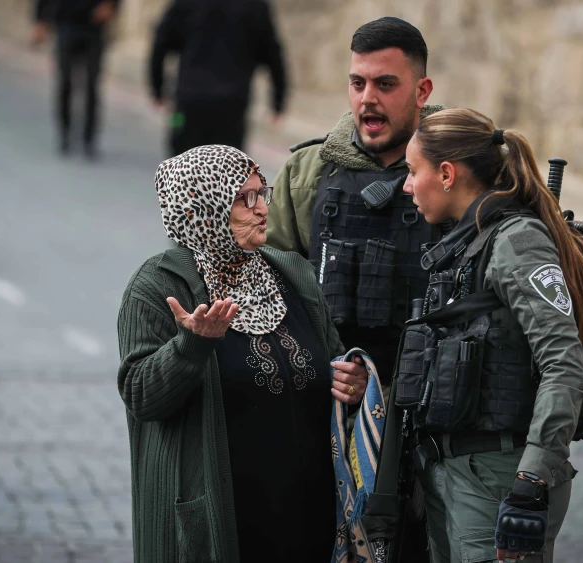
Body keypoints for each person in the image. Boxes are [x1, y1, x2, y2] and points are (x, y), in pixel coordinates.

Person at [117, 145, 369, 563]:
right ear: (202, 209)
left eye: (261, 193)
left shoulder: (292, 273)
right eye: (242, 198)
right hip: (223, 520)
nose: (261, 209)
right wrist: (192, 346)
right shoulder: (156, 287)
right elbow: (142, 396)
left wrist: (352, 382)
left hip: (307, 514)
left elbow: (333, 361)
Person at [391, 108, 583, 563]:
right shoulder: (468, 240)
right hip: (458, 475)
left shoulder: (517, 243)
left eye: (412, 171)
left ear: (447, 174)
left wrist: (532, 480)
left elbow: (564, 365)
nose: (406, 185)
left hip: (499, 480)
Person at [266, 17, 445, 388]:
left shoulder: (459, 171)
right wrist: (320, 365)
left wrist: (390, 382)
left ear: (421, 91)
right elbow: (266, 286)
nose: (368, 99)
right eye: (357, 83)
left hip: (430, 394)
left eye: (385, 84)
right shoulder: (306, 172)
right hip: (322, 390)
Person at [148, 0, 287, 156]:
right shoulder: (255, 5)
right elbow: (273, 54)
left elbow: (160, 43)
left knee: (184, 164)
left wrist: (157, 89)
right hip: (232, 103)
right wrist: (278, 102)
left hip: (190, 99)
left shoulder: (186, 3)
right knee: (227, 168)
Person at [32, 0, 119, 158]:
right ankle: (65, 134)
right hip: (66, 23)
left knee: (92, 85)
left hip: (94, 26)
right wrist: (40, 20)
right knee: (65, 82)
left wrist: (111, 5)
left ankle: (89, 139)